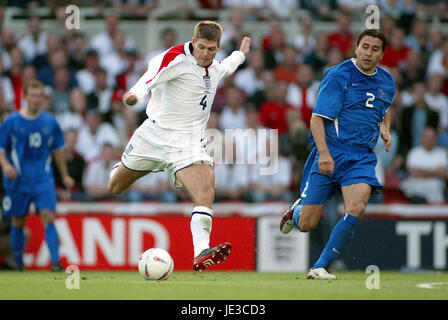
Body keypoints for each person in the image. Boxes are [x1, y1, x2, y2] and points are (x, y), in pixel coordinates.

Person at [108, 21, 251, 272]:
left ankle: (201, 252)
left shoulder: (215, 68)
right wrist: (135, 95)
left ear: (217, 48)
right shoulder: (174, 58)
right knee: (115, 186)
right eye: (201, 47)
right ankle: (132, 165)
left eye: (211, 49)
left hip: (188, 144)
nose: (205, 54)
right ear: (193, 41)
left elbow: (228, 66)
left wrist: (241, 54)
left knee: (205, 193)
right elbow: (149, 77)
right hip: (153, 137)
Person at [279, 29, 395, 280]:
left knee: (358, 204)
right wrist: (323, 154)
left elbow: (383, 109)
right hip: (331, 151)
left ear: (382, 54)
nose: (368, 53)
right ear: (356, 48)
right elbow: (316, 119)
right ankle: (296, 212)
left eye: (375, 49)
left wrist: (385, 129)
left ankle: (319, 266)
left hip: (361, 157)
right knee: (308, 223)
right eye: (365, 46)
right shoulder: (339, 75)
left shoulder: (387, 81)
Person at [0, 79, 75, 271]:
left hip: (43, 179)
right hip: (18, 180)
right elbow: (1, 149)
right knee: (18, 220)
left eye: (39, 96)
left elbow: (58, 150)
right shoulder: (12, 122)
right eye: (32, 95)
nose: (36, 99)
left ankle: (56, 262)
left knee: (48, 216)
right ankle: (17, 263)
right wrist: (6, 165)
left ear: (43, 98)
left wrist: (65, 175)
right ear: (25, 97)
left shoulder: (50, 121)